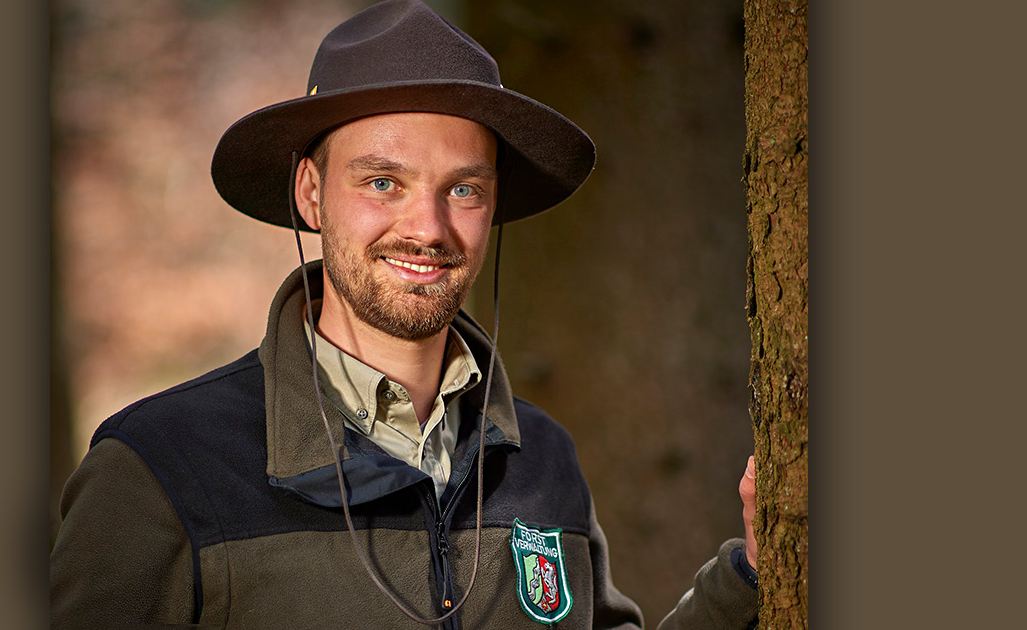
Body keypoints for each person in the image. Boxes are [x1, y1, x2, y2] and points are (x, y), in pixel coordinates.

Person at [50, 1, 760, 628]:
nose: (428, 228)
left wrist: (751, 581)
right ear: (311, 193)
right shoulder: (160, 468)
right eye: (383, 182)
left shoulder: (540, 459)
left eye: (464, 190)